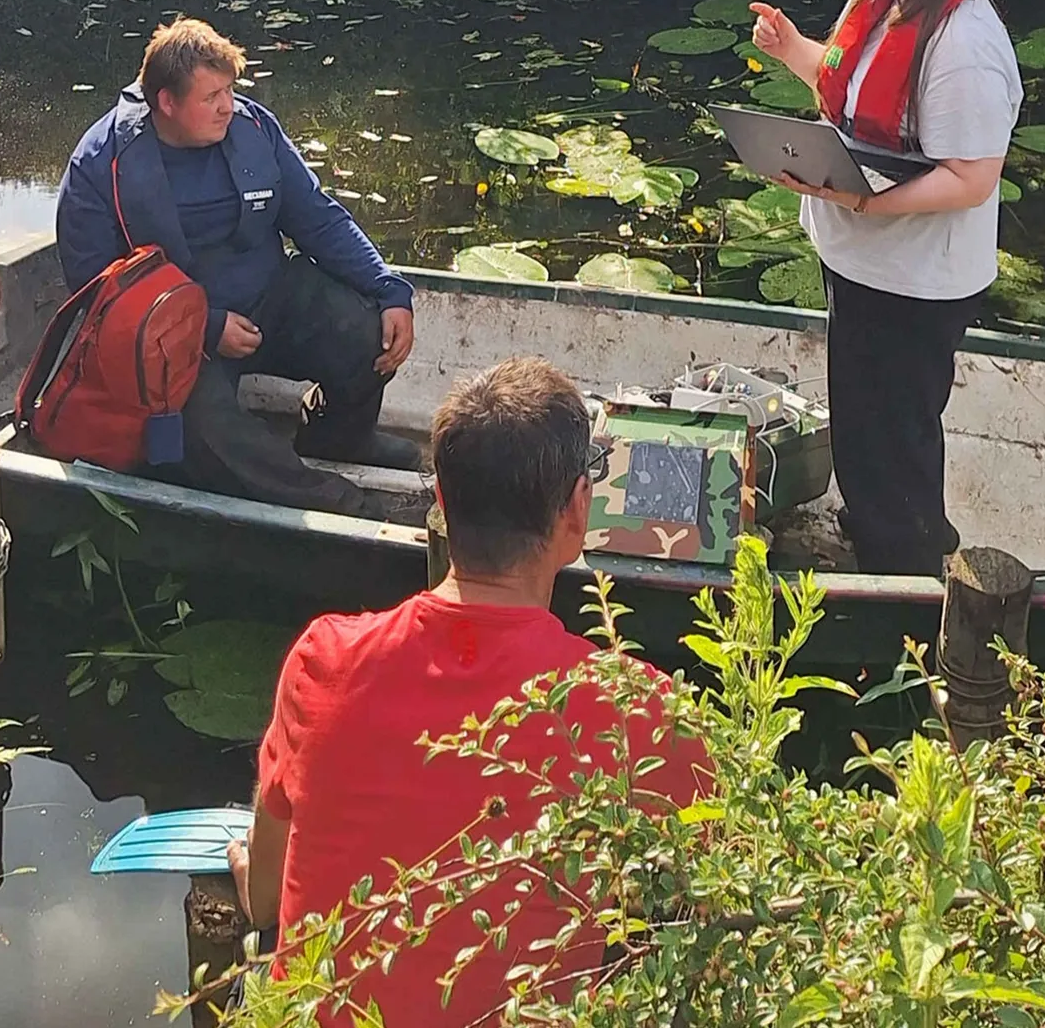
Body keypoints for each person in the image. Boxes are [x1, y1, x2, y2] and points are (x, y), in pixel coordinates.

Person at [226, 357, 710, 1024]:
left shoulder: (325, 657)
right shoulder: (634, 709)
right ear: (576, 511)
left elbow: (269, 895)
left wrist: (254, 885)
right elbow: (731, 876)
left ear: (443, 506)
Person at [749, 0, 1022, 577]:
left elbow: (971, 178)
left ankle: (904, 574)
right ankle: (875, 533)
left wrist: (867, 202)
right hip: (855, 257)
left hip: (914, 276)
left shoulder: (965, 45)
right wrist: (790, 50)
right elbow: (848, 88)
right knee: (864, 429)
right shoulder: (881, 2)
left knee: (894, 436)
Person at [55, 16, 420, 519]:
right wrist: (206, 329)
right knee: (205, 432)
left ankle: (341, 439)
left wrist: (388, 288)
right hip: (174, 337)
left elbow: (316, 216)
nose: (228, 105)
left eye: (230, 89)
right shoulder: (101, 164)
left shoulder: (251, 127)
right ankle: (340, 505)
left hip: (266, 296)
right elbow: (96, 292)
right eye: (211, 98)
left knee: (362, 329)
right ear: (167, 102)